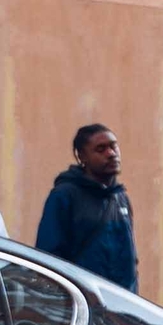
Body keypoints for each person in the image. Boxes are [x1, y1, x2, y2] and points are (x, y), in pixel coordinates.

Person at [35, 123, 136, 289]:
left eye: (113, 146)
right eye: (100, 149)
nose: (111, 153)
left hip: (123, 305)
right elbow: (49, 256)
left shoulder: (120, 198)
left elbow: (130, 258)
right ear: (82, 157)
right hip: (85, 302)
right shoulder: (64, 196)